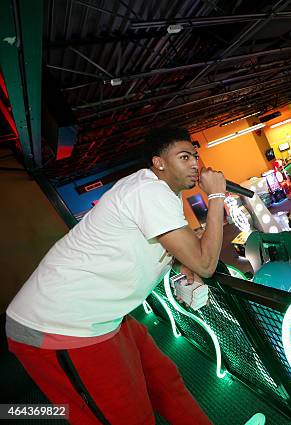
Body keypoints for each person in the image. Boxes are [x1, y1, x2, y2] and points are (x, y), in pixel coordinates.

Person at [5, 128, 228, 424]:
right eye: (184, 157)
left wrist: (179, 262)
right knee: (127, 415)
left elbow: (177, 250)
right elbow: (205, 264)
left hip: (106, 316)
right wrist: (215, 195)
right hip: (62, 326)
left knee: (165, 383)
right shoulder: (148, 191)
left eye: (195, 157)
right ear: (159, 163)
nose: (194, 165)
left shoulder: (158, 193)